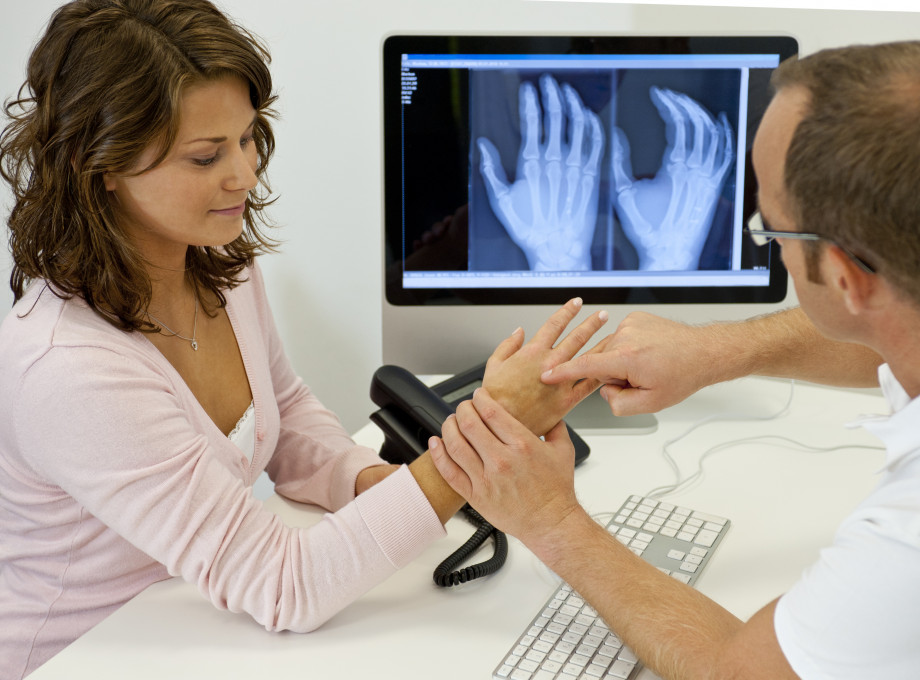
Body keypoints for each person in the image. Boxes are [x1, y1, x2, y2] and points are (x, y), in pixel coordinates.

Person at [0, 2, 607, 677]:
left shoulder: (216, 264)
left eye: (248, 138)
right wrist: (484, 435)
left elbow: (282, 414)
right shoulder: (70, 370)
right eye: (206, 156)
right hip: (90, 656)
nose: (245, 175)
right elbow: (285, 585)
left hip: (203, 628)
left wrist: (377, 483)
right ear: (100, 163)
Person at [429, 40, 920, 679]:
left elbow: (739, 673)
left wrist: (551, 521)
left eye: (769, 228)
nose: (763, 238)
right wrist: (715, 351)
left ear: (848, 279)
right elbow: (911, 324)